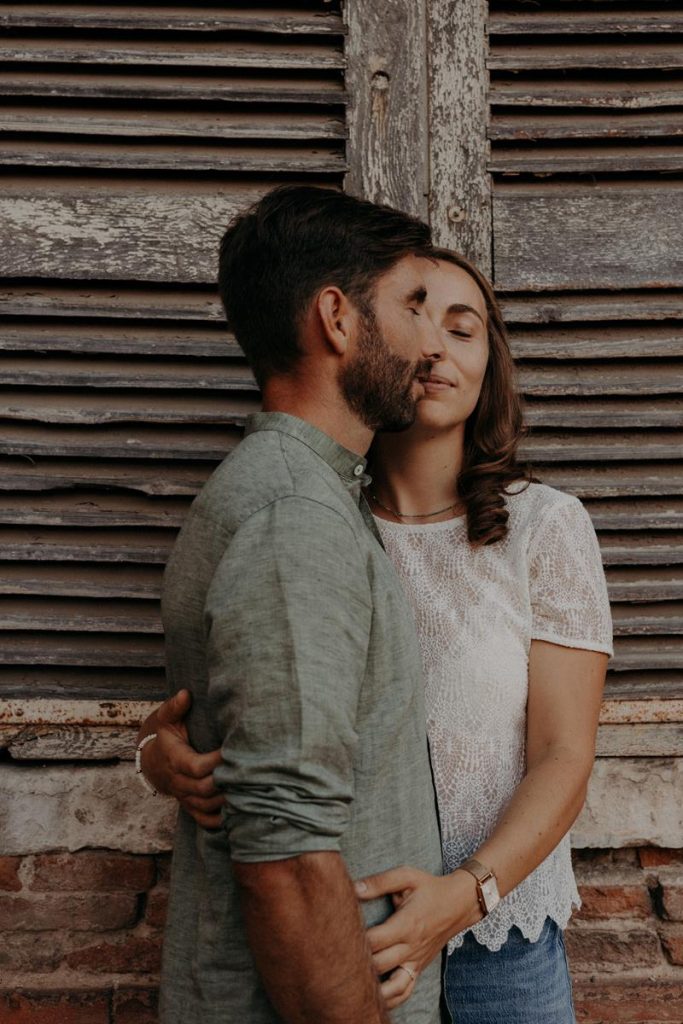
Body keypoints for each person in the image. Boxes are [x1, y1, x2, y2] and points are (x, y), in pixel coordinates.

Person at [140, 245, 613, 1024]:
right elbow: (252, 717)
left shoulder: (544, 527)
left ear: (493, 365)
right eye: (415, 317)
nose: (432, 347)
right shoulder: (314, 524)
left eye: (462, 331)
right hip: (358, 941)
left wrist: (463, 897)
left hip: (501, 946)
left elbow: (564, 754)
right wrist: (158, 758)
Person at [151, 183, 450, 1024]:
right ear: (337, 318)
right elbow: (284, 851)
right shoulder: (297, 521)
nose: (433, 342)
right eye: (414, 305)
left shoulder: (311, 499)